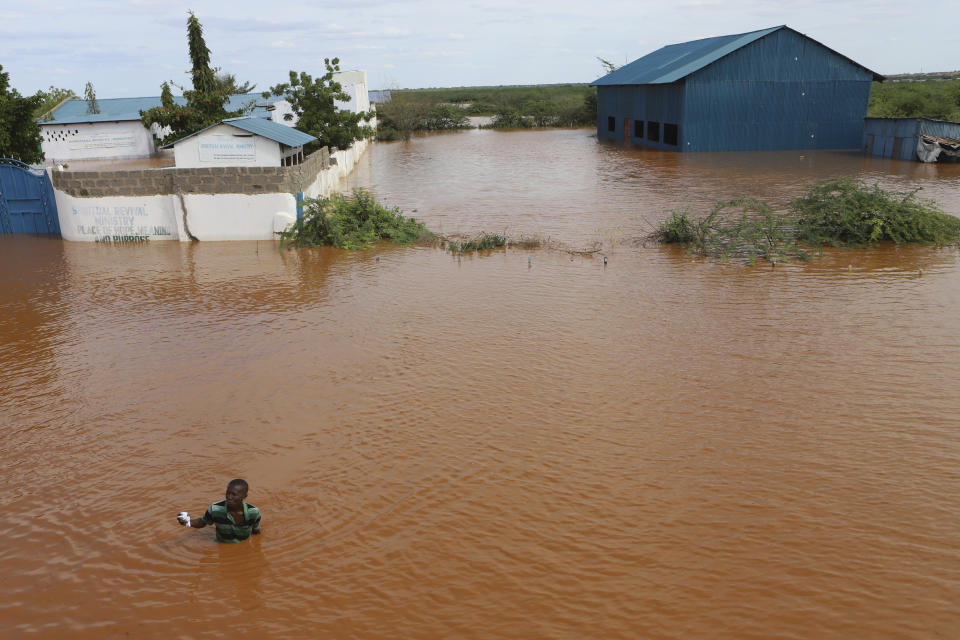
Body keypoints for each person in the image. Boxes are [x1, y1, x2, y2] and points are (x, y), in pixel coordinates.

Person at [177, 478, 261, 543]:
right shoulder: (215, 509)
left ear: (244, 496)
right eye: (228, 493)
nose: (229, 497)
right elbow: (203, 522)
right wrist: (188, 522)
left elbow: (256, 531)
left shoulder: (253, 513)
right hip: (222, 544)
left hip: (244, 548)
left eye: (234, 494)